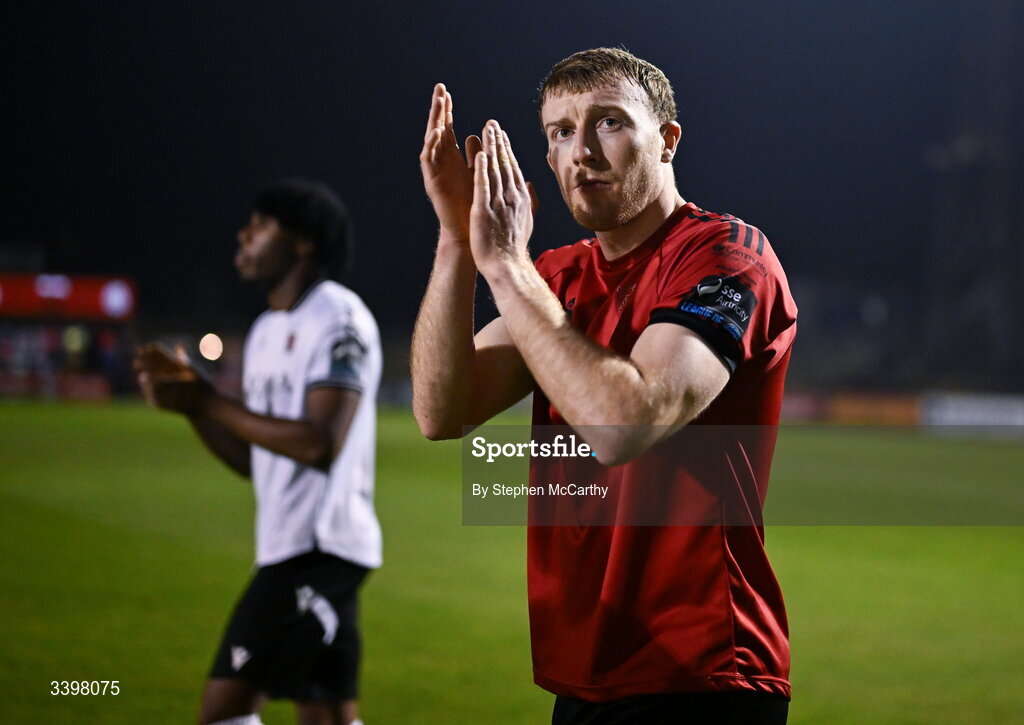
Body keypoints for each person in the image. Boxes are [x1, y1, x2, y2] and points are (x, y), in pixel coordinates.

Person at [412, 48, 797, 723]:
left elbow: (627, 420)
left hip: (702, 672)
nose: (581, 150)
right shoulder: (557, 276)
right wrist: (455, 243)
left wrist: (506, 267)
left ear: (668, 140)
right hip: (588, 670)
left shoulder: (729, 256)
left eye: (609, 122)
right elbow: (442, 409)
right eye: (560, 131)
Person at [135, 178, 380, 725]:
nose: (244, 234)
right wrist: (194, 408)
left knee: (222, 711)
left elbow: (319, 444)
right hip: (290, 544)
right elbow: (257, 460)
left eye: (263, 223)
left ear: (303, 242)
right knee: (327, 716)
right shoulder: (266, 330)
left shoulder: (338, 318)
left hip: (318, 547)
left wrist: (211, 400)